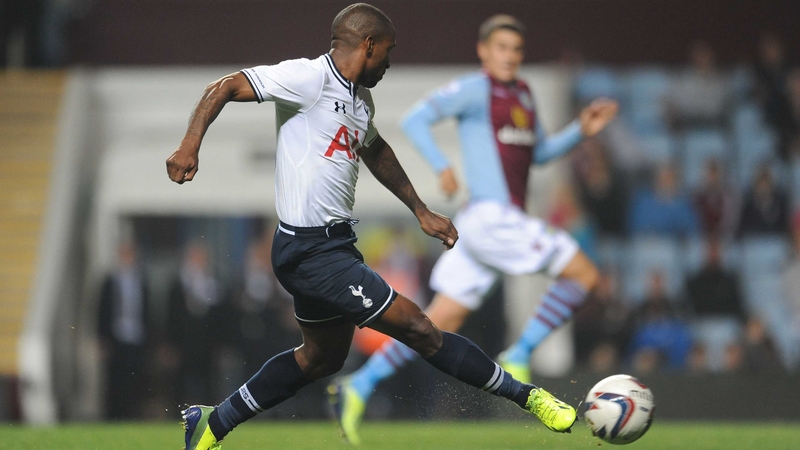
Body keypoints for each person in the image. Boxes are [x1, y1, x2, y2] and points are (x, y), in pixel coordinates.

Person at [165, 5, 577, 450]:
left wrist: (420, 209)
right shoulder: (308, 78)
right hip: (311, 250)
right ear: (368, 45)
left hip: (333, 246)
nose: (389, 62)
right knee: (420, 327)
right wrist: (190, 146)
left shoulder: (360, 100)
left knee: (321, 359)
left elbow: (375, 149)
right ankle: (528, 397)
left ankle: (211, 422)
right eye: (388, 51)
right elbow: (224, 86)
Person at [326, 14, 618, 444]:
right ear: (483, 51)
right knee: (586, 275)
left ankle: (360, 384)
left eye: (516, 49)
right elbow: (415, 119)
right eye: (500, 47)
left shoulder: (524, 94)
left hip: (489, 227)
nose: (509, 56)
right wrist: (442, 166)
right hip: (491, 217)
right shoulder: (474, 89)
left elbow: (537, 154)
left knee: (436, 322)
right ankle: (518, 355)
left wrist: (580, 131)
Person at [97, 241, 152, 419]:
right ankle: (113, 415)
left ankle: (133, 414)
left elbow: (147, 311)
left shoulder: (141, 281)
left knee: (135, 379)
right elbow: (101, 310)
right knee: (115, 380)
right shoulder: (110, 281)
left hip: (136, 337)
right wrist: (102, 338)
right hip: (116, 338)